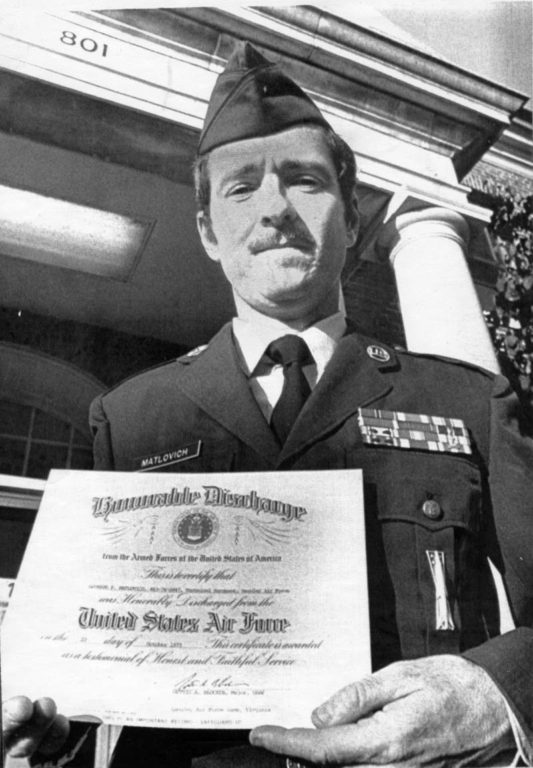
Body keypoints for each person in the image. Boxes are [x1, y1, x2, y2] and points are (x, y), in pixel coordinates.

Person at [3, 41, 533, 768]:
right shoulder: (132, 418)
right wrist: (44, 726)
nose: (275, 209)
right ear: (207, 232)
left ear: (353, 219)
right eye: (241, 187)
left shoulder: (465, 400)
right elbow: (90, 669)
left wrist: (498, 694)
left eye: (305, 181)